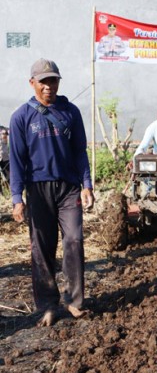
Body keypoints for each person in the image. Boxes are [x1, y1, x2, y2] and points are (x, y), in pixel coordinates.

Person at [9, 58, 95, 327]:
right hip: (37, 190)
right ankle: (47, 305)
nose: (49, 86)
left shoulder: (71, 112)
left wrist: (87, 185)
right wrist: (16, 198)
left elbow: (80, 151)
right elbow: (16, 159)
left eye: (53, 80)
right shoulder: (21, 117)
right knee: (42, 248)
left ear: (59, 82)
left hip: (69, 189)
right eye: (43, 81)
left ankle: (74, 300)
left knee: (74, 239)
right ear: (32, 83)